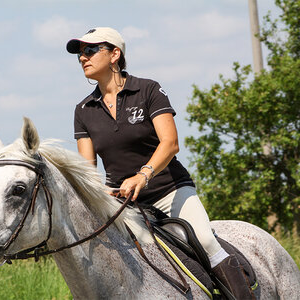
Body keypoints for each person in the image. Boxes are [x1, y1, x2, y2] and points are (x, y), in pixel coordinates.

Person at [66, 27, 255, 299]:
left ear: (114, 54)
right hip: (124, 203)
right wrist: (98, 191)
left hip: (170, 190)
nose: (83, 57)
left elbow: (170, 143)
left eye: (90, 50)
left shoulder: (148, 89)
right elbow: (87, 169)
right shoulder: (83, 110)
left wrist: (143, 176)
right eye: (80, 53)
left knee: (205, 240)